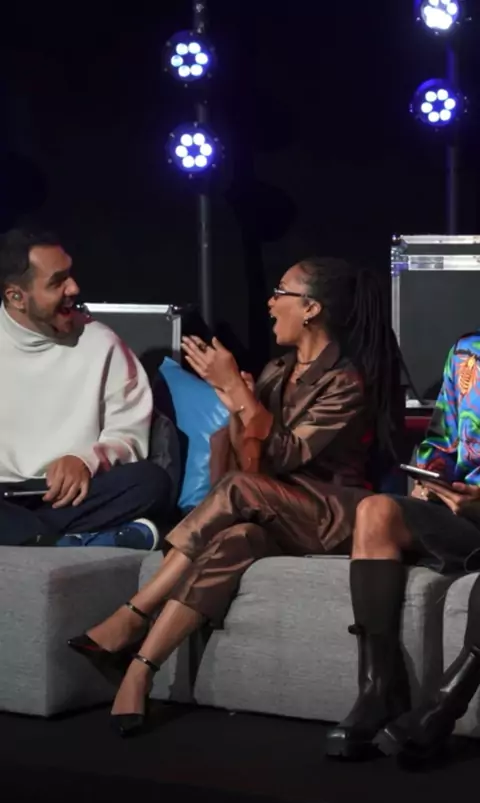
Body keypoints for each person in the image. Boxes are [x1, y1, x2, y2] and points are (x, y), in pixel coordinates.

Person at [68, 256, 403, 737]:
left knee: (243, 494)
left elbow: (288, 454)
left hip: (338, 516)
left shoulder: (345, 382)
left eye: (281, 292)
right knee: (235, 539)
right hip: (277, 507)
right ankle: (141, 668)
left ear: (311, 308)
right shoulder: (276, 371)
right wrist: (235, 409)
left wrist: (239, 394)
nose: (270, 302)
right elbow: (251, 470)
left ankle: (132, 614)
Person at [325, 332, 480, 762]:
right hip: (463, 511)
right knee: (376, 511)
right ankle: (377, 691)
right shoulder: (467, 353)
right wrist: (430, 477)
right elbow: (442, 439)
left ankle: (442, 707)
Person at [0, 227, 173, 550]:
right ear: (16, 297)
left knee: (151, 482)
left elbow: (128, 435)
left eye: (70, 275)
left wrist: (85, 460)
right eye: (57, 282)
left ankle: (33, 538)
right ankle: (63, 541)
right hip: (4, 497)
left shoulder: (102, 343)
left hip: (72, 496)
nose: (74, 288)